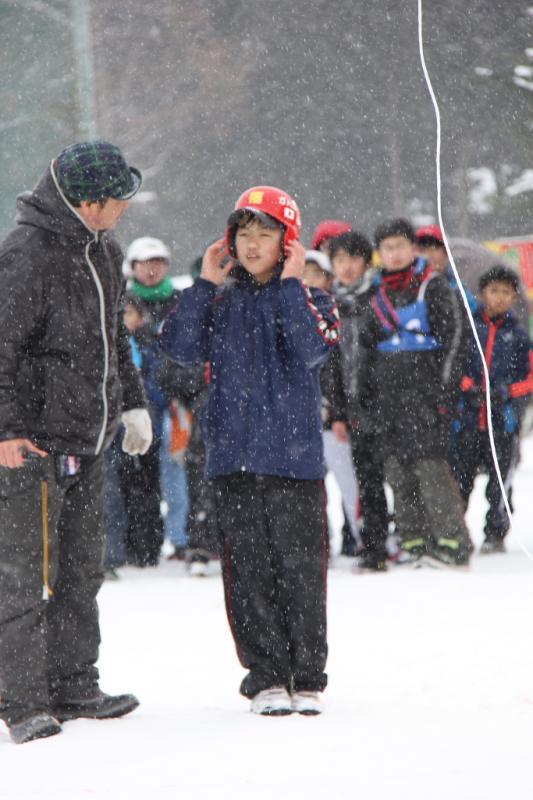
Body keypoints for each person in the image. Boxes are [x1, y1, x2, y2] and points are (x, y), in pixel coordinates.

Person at [161, 186, 340, 716]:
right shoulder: (216, 299)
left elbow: (313, 350)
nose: (253, 243)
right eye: (243, 233)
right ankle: (264, 676)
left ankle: (306, 675)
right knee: (248, 573)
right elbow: (179, 348)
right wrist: (201, 285)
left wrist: (291, 285)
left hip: (294, 460)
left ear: (288, 242)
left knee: (301, 570)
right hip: (232, 460)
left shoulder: (315, 298)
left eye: (266, 233)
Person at [0, 141, 152, 744]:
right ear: (88, 202)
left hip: (89, 438)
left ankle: (73, 682)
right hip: (33, 444)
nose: (124, 211)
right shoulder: (25, 256)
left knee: (81, 569)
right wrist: (6, 429)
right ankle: (22, 696)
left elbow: (115, 336)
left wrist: (132, 402)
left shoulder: (105, 250)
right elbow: (1, 350)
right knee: (23, 573)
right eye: (118, 201)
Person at [358, 218, 471, 568]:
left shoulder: (434, 287)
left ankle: (453, 544)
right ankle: (414, 542)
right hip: (387, 401)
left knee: (430, 471)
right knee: (398, 473)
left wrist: (445, 393)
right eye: (387, 248)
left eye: (400, 246)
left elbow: (454, 342)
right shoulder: (374, 294)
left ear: (413, 249)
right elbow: (364, 351)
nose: (394, 254)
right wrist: (364, 399)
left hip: (425, 398)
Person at [451, 266, 532, 553]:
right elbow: (454, 362)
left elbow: (529, 377)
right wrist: (467, 386)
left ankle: (495, 533)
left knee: (500, 482)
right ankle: (456, 531)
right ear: (482, 294)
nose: (499, 298)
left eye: (506, 292)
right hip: (469, 419)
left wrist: (507, 392)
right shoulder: (471, 327)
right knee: (461, 478)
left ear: (514, 297)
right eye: (494, 291)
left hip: (503, 421)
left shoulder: (519, 335)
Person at [325, 231, 391, 571]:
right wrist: (337, 410)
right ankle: (374, 545)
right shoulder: (329, 303)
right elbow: (331, 365)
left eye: (352, 259)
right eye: (339, 260)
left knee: (389, 474)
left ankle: (399, 540)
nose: (346, 267)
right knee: (365, 479)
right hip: (350, 408)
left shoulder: (379, 299)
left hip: (383, 403)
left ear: (366, 262)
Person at [124, 237, 190, 560]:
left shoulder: (178, 301)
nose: (152, 269)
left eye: (158, 262)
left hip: (174, 402)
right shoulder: (123, 301)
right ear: (133, 267)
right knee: (139, 477)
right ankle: (143, 545)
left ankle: (180, 537)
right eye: (145, 263)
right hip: (135, 404)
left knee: (176, 471)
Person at [303, 250, 361, 558]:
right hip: (300, 418)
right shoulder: (291, 311)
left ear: (328, 279)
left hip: (332, 417)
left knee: (350, 484)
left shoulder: (336, 311)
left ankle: (364, 537)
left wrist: (339, 411)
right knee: (309, 491)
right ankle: (317, 547)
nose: (308, 280)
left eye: (315, 274)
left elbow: (340, 369)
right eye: (303, 273)